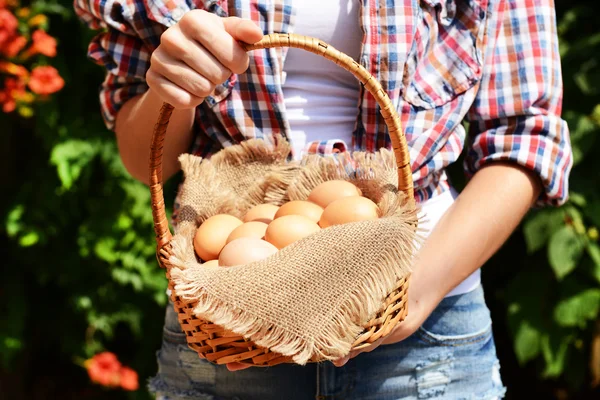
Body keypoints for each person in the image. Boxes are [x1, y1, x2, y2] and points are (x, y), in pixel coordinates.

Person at [74, 0, 572, 398]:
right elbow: (149, 164)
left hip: (425, 332)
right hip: (229, 318)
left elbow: (524, 136)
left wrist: (415, 294)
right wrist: (173, 89)